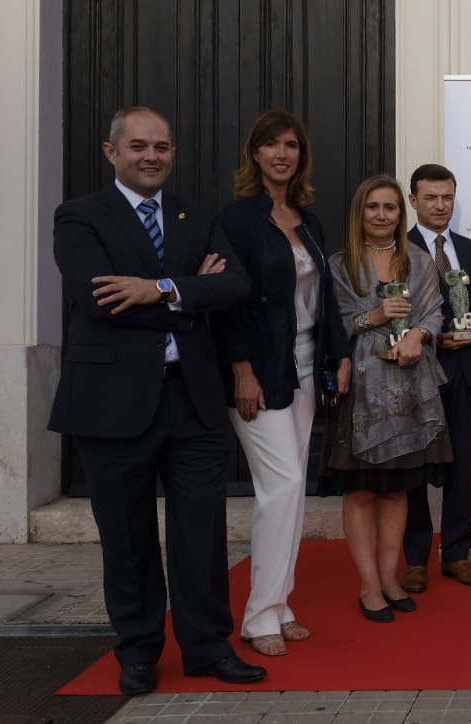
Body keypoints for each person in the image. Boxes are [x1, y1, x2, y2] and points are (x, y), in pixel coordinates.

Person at [49, 106, 264, 695]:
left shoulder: (196, 214)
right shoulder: (79, 216)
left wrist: (159, 286)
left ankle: (207, 647)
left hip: (192, 400)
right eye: (139, 145)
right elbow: (99, 299)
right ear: (110, 151)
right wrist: (191, 290)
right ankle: (139, 652)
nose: (152, 156)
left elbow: (235, 286)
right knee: (128, 535)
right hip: (111, 403)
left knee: (203, 532)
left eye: (162, 146)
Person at [216, 109, 352, 657]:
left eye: (291, 145)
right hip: (261, 370)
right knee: (282, 489)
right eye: (271, 144)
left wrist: (338, 356)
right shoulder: (236, 220)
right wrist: (240, 370)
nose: (282, 154)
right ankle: (257, 617)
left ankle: (280, 605)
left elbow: (327, 300)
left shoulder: (309, 220)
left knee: (292, 491)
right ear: (254, 153)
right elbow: (227, 303)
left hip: (304, 367)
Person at [325, 175, 452, 623]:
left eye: (390, 208)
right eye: (373, 207)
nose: (381, 215)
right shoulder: (339, 264)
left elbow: (435, 313)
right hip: (360, 390)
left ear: (402, 213)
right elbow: (331, 325)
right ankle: (367, 585)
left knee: (399, 489)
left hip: (411, 389)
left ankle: (390, 577)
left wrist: (419, 333)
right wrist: (372, 316)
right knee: (360, 491)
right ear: (360, 213)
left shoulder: (419, 261)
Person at [400, 164, 471, 592]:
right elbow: (394, 322)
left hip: (469, 376)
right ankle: (416, 560)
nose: (440, 205)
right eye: (431, 198)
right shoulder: (397, 252)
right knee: (416, 471)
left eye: (447, 197)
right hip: (418, 377)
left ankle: (456, 554)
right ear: (413, 200)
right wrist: (436, 338)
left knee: (464, 472)